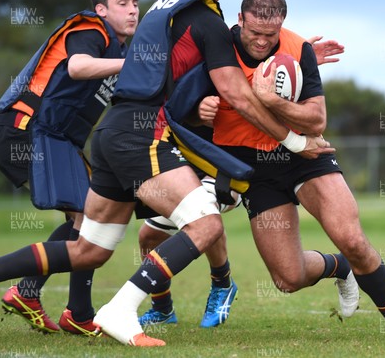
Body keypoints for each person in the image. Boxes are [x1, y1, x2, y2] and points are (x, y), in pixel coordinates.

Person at [0, 0, 332, 347]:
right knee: (205, 224)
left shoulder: (163, 8)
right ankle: (120, 309)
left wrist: (301, 55)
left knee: (88, 249)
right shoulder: (204, 17)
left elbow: (190, 70)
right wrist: (292, 139)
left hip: (111, 133)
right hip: (142, 135)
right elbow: (235, 93)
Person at [136, 0, 385, 343]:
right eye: (255, 33)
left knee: (352, 238)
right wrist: (201, 114)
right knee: (288, 279)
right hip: (250, 170)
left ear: (282, 25)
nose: (263, 42)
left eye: (271, 34)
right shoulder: (217, 47)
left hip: (304, 156)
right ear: (239, 20)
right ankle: (339, 267)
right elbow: (180, 107)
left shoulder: (297, 48)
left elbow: (315, 120)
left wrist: (271, 99)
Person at [136, 36, 348, 329]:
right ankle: (162, 308)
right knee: (148, 238)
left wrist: (300, 60)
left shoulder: (230, 47)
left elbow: (262, 80)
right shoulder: (187, 58)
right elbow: (191, 101)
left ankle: (222, 283)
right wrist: (200, 108)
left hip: (228, 169)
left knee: (204, 217)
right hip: (183, 161)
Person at [0, 0, 139, 336]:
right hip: (25, 132)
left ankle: (39, 297)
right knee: (88, 218)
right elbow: (78, 66)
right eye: (123, 3)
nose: (133, 9)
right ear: (101, 9)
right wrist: (135, 66)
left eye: (135, 3)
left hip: (54, 139)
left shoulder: (119, 50)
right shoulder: (92, 30)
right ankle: (73, 311)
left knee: (91, 218)